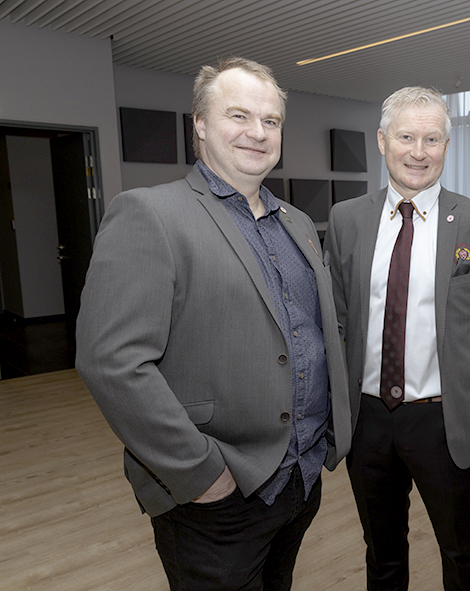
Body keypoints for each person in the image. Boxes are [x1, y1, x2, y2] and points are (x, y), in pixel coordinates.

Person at [75, 57, 351, 591]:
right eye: (238, 115)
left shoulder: (296, 222)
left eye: (270, 121)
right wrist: (199, 474)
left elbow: (306, 333)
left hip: (299, 479)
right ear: (199, 124)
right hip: (216, 495)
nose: (257, 132)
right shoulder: (150, 214)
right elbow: (111, 361)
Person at [325, 86, 470, 590]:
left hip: (444, 420)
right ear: (382, 141)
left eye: (432, 139)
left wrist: (469, 374)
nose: (419, 151)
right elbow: (338, 318)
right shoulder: (346, 220)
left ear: (446, 147)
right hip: (367, 419)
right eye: (406, 137)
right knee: (381, 552)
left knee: (460, 548)